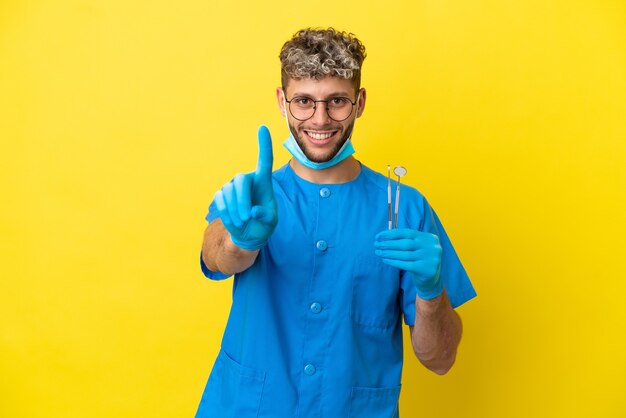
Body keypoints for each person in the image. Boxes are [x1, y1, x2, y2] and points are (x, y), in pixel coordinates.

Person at [196, 27, 476, 418]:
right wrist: (240, 242)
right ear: (282, 101)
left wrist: (431, 294)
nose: (320, 119)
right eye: (304, 101)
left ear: (359, 102)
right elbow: (214, 257)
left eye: (337, 101)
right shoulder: (254, 197)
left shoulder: (406, 209)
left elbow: (441, 360)